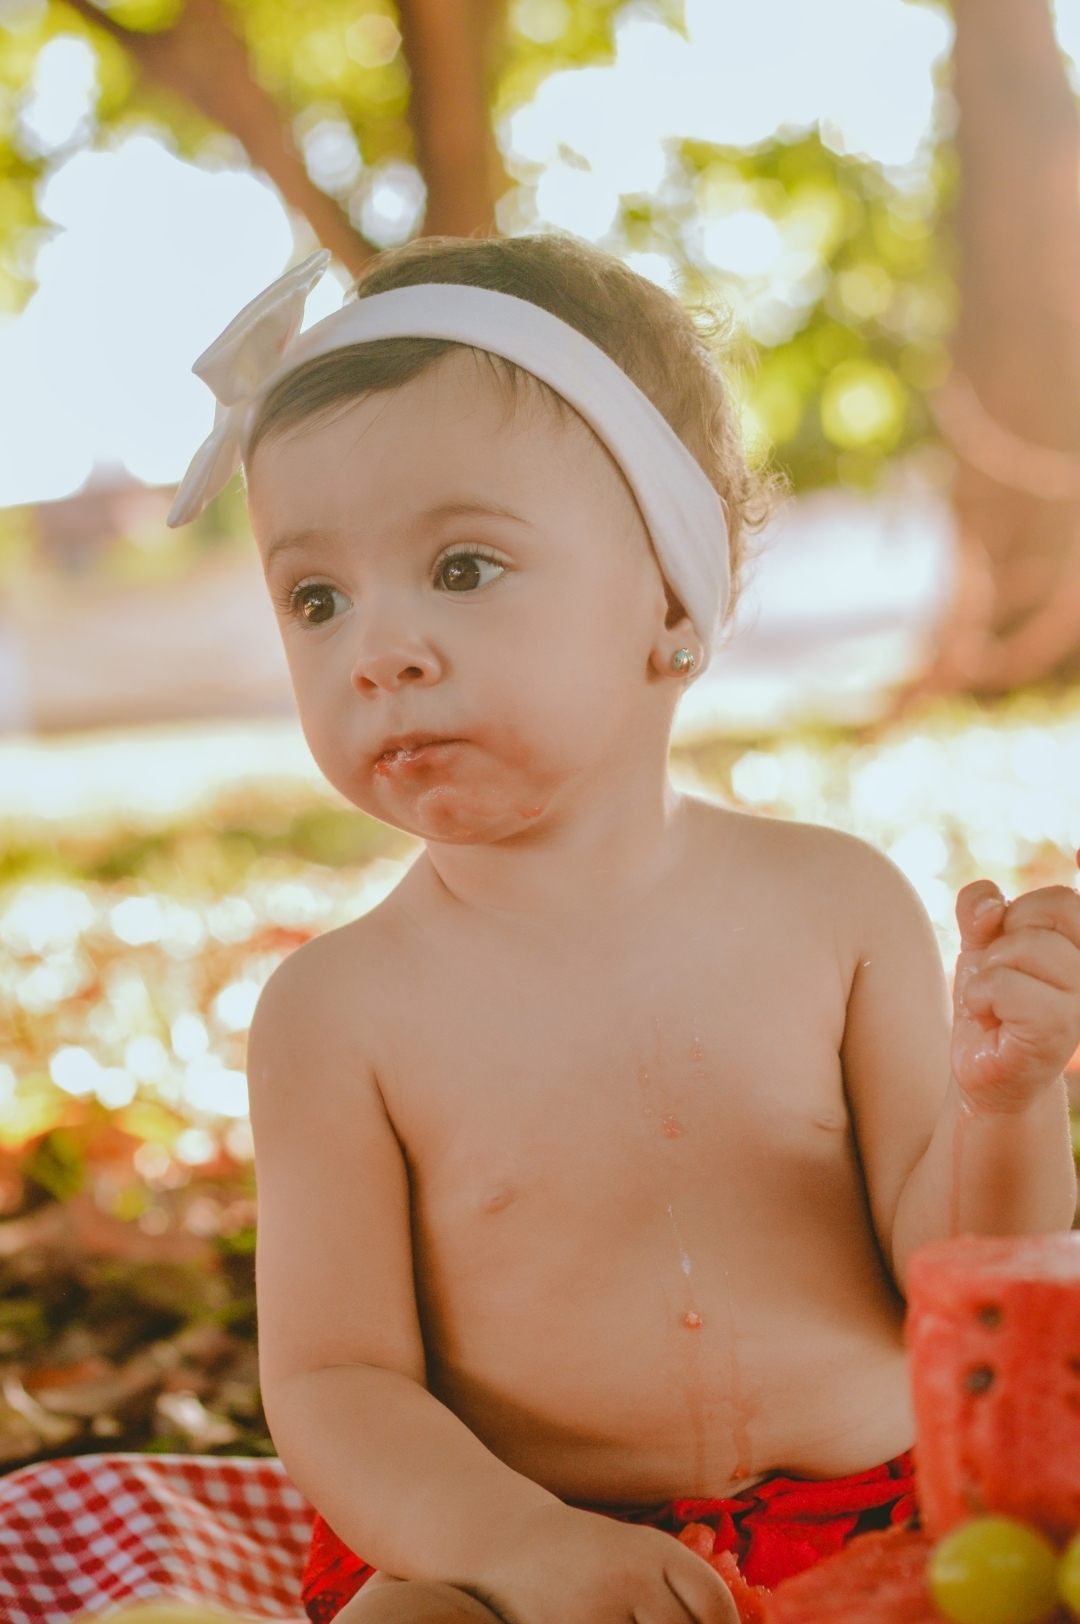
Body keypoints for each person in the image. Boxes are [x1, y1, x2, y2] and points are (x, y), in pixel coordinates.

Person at [168, 234, 1080, 1624]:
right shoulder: (338, 1013)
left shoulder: (835, 907)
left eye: (461, 568)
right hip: (516, 1547)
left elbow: (957, 1281)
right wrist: (521, 1547)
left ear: (671, 594)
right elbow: (338, 1382)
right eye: (317, 596)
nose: (378, 649)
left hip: (881, 1516)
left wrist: (1005, 1109)